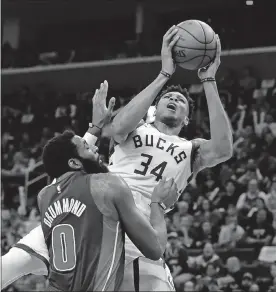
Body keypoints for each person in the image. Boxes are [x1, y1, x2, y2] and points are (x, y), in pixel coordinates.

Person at [2, 25, 233, 291]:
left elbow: (224, 149)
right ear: (153, 109)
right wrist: (164, 74)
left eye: (180, 100)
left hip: (140, 225)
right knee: (11, 263)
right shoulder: (136, 126)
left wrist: (209, 80)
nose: (173, 99)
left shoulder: (192, 149)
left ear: (187, 118)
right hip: (94, 204)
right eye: (168, 97)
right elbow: (118, 126)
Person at [2, 130, 179, 291]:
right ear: (74, 162)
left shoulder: (44, 196)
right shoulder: (107, 184)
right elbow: (155, 249)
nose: (95, 150)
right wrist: (158, 205)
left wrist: (94, 129)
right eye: (87, 147)